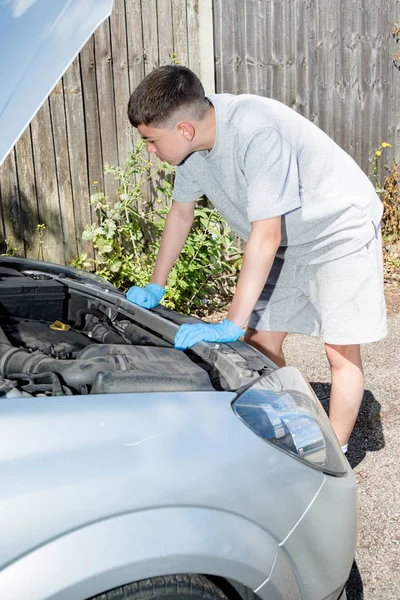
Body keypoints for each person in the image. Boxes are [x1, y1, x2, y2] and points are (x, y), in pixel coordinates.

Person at [125, 65, 387, 452]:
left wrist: (231, 321)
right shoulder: (191, 153)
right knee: (259, 343)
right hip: (285, 241)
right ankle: (296, 430)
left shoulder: (254, 131)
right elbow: (181, 213)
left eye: (150, 140)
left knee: (339, 349)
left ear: (184, 129)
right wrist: (156, 284)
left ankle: (335, 456)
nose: (148, 150)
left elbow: (266, 235)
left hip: (336, 232)